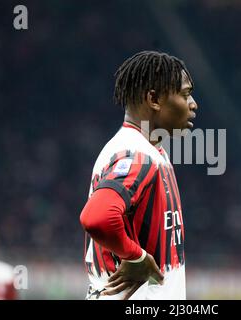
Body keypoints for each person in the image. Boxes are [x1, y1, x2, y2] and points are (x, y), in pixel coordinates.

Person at [80, 50, 198, 300]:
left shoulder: (152, 151)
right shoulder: (136, 154)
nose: (193, 104)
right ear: (153, 98)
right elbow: (97, 217)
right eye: (186, 94)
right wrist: (136, 257)